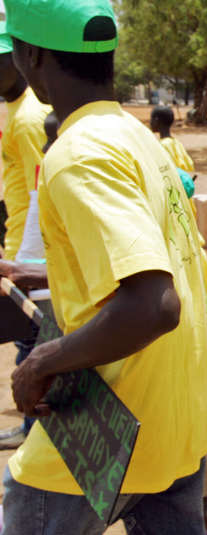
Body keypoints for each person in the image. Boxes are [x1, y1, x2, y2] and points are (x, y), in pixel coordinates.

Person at [5, 1, 207, 533]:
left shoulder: (78, 152)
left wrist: (40, 362)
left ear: (31, 55)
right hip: (175, 421)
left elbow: (153, 304)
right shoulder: (137, 136)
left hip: (103, 428)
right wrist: (43, 278)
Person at [0, 22, 51, 450]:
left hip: (28, 251)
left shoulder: (32, 117)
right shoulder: (16, 109)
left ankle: (35, 435)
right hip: (16, 240)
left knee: (30, 346)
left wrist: (26, 263)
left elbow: (41, 193)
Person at [150, 105, 195, 173]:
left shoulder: (162, 146)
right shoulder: (176, 143)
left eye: (151, 119)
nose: (150, 123)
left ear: (157, 120)